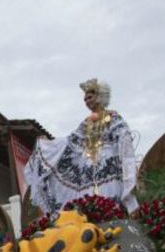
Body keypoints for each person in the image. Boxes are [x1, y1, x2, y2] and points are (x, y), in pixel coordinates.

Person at [23, 78, 140, 217]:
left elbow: (124, 140)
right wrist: (48, 145)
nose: (87, 101)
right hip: (89, 168)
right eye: (85, 99)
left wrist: (127, 164)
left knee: (110, 197)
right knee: (90, 202)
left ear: (99, 96)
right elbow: (70, 142)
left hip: (109, 163)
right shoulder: (86, 123)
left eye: (90, 97)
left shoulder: (113, 117)